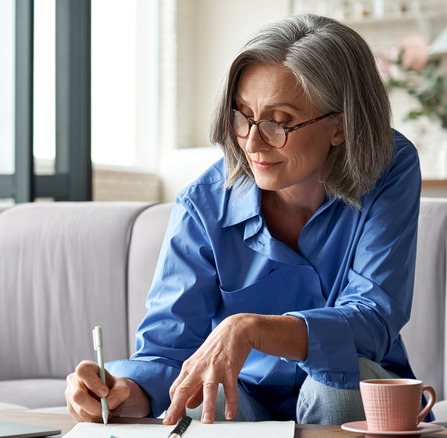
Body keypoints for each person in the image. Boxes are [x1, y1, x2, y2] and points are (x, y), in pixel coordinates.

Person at [65, 13, 424, 425]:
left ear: (340, 126)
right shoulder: (203, 204)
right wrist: (124, 392)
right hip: (245, 397)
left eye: (279, 122)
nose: (252, 143)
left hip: (350, 390)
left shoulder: (389, 166)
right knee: (203, 395)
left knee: (336, 382)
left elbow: (374, 317)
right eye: (242, 116)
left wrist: (252, 328)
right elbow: (167, 350)